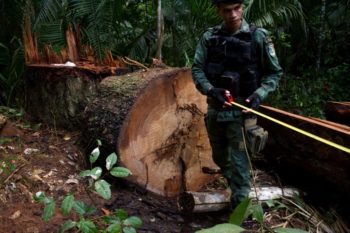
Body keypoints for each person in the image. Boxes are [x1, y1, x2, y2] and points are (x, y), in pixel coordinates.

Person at [191, 0, 283, 207]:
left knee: (240, 164)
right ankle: (239, 190)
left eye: (236, 9)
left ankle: (240, 213)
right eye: (227, 10)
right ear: (219, 11)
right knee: (220, 158)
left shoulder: (258, 36)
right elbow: (197, 69)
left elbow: (274, 72)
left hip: (243, 113)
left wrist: (260, 93)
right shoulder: (210, 37)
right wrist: (211, 89)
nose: (233, 14)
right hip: (216, 110)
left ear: (242, 8)